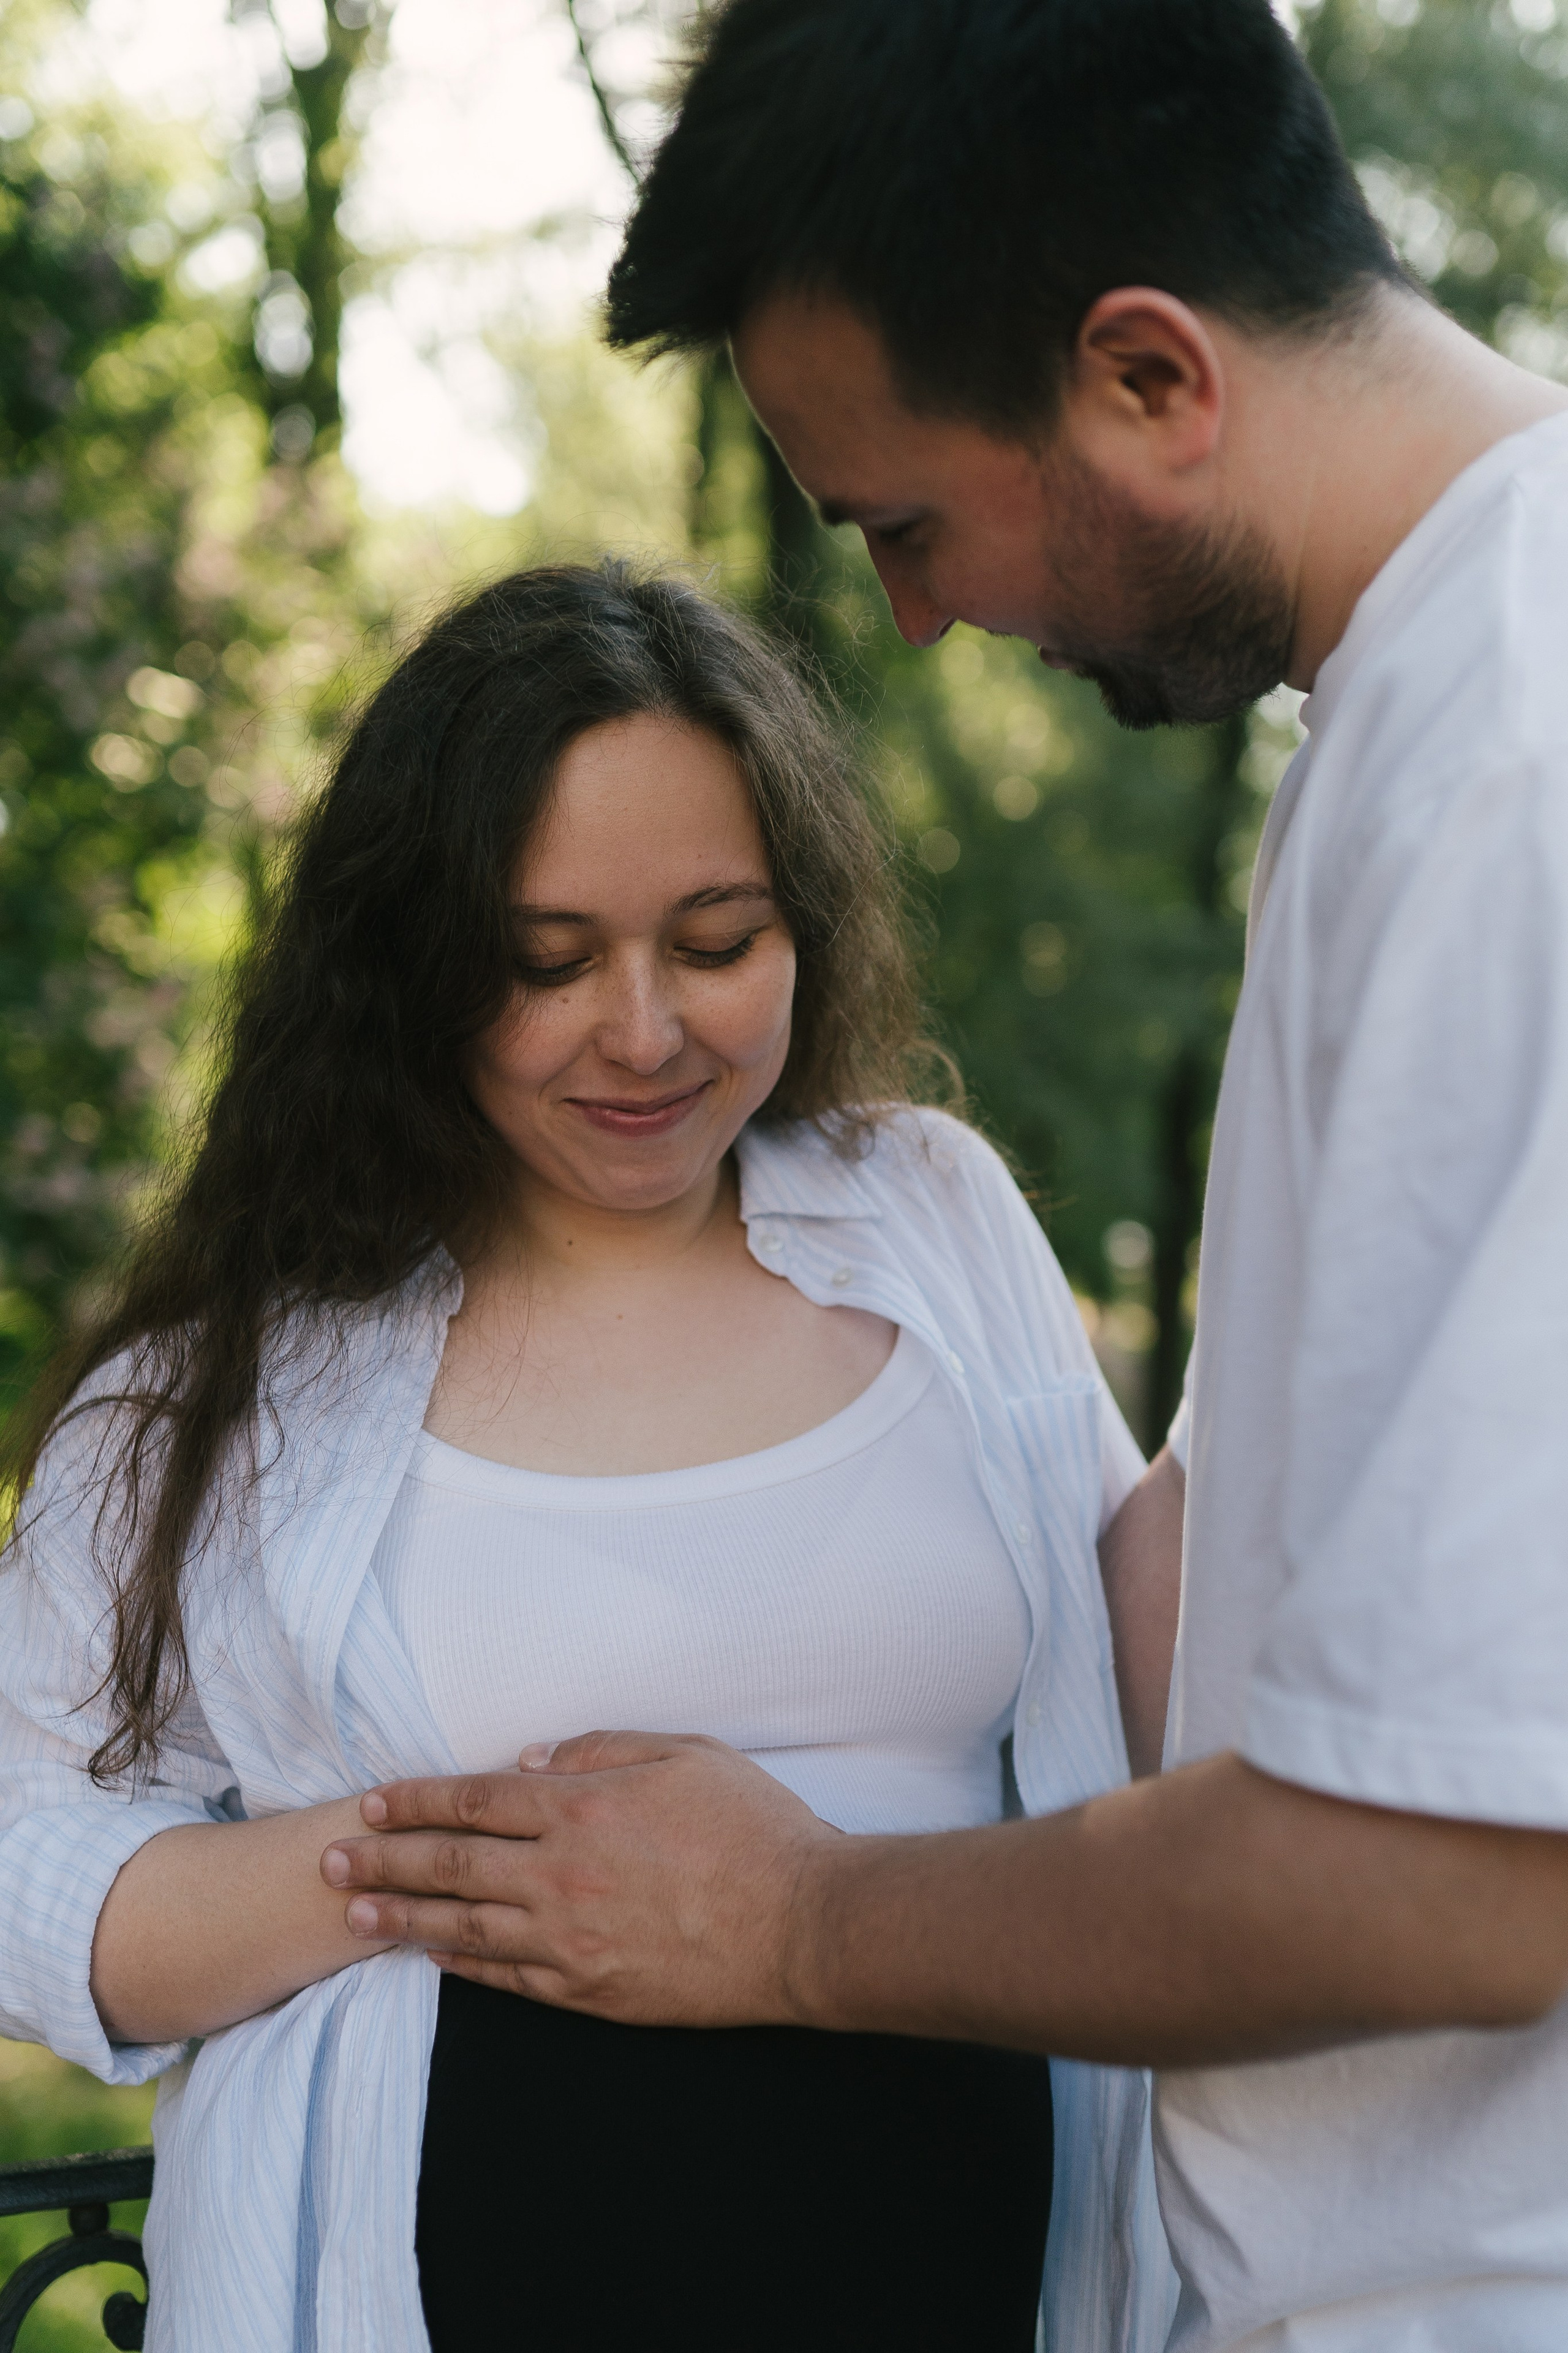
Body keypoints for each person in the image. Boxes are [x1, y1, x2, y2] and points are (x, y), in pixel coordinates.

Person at [320, 5, 1568, 2351]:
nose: (907, 612)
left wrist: (790, 1917)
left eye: (906, 517)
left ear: (1146, 378)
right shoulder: (1417, 717)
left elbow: (1468, 1866)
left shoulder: (1522, 764)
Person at [0, 561, 1185, 2351]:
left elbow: (1141, 1644)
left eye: (716, 943)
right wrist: (428, 1867)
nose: (646, 1031)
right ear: (411, 963)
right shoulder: (224, 1393)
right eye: (545, 964)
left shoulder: (927, 1210)